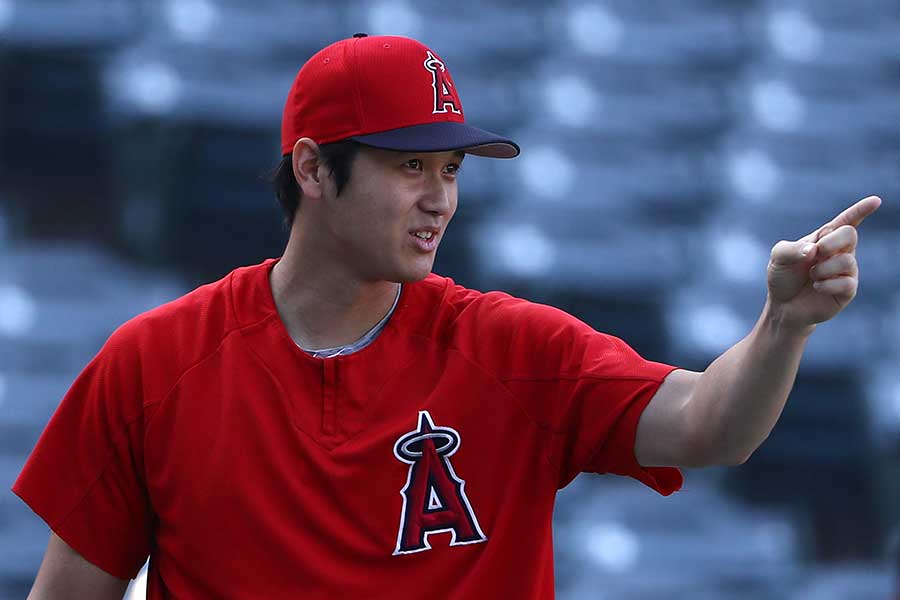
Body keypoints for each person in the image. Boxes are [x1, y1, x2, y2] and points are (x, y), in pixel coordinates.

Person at [12, 33, 882, 599]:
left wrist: (782, 328)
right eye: (409, 167)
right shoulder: (155, 365)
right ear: (314, 171)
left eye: (453, 171)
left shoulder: (509, 348)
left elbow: (709, 426)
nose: (440, 200)